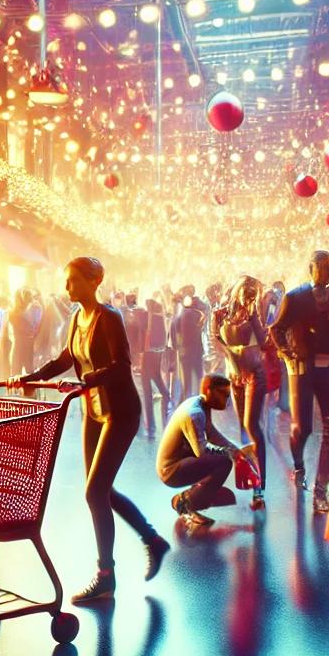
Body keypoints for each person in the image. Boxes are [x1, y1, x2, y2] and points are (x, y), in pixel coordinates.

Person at [16, 257, 169, 603]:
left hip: (120, 412)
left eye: (72, 280)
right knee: (99, 490)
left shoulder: (109, 317)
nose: (66, 287)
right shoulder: (75, 318)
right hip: (93, 411)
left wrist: (88, 379)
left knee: (94, 493)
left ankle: (106, 576)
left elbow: (121, 365)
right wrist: (33, 377)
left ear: (92, 282)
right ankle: (153, 540)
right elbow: (66, 358)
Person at [269, 250, 329, 514]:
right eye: (322, 267)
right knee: (302, 428)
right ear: (311, 269)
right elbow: (276, 329)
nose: (327, 272)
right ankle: (299, 466)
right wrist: (286, 353)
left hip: (328, 369)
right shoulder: (294, 297)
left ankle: (321, 488)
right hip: (301, 370)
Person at [212, 276, 269, 511]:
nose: (250, 301)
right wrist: (230, 355)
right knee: (243, 429)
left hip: (255, 373)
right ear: (237, 293)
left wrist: (259, 322)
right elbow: (214, 338)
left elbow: (264, 342)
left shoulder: (252, 313)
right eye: (247, 296)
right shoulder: (220, 313)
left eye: (253, 297)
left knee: (251, 425)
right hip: (235, 376)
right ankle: (250, 479)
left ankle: (260, 488)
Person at [158, 373, 244, 529]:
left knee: (221, 458)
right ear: (209, 391)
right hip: (171, 471)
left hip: (180, 461)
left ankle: (196, 493)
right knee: (223, 463)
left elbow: (211, 433)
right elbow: (201, 451)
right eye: (224, 394)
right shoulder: (195, 413)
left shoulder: (203, 404)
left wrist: (235, 450)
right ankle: (184, 502)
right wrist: (228, 453)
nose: (227, 399)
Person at [139, 297, 173, 436]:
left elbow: (145, 339)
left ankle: (151, 425)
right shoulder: (160, 319)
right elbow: (163, 341)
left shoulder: (148, 317)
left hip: (148, 356)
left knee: (148, 391)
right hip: (154, 355)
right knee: (158, 385)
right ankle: (162, 419)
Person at [170, 288, 206, 403]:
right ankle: (200, 402)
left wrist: (176, 347)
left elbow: (173, 330)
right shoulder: (197, 313)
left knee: (187, 382)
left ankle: (184, 404)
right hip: (196, 351)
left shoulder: (179, 316)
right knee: (198, 378)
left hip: (185, 353)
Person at [2, 288, 41, 387]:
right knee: (27, 371)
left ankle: (20, 394)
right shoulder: (35, 309)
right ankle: (30, 393)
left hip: (19, 344)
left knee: (18, 371)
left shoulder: (13, 313)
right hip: (27, 343)